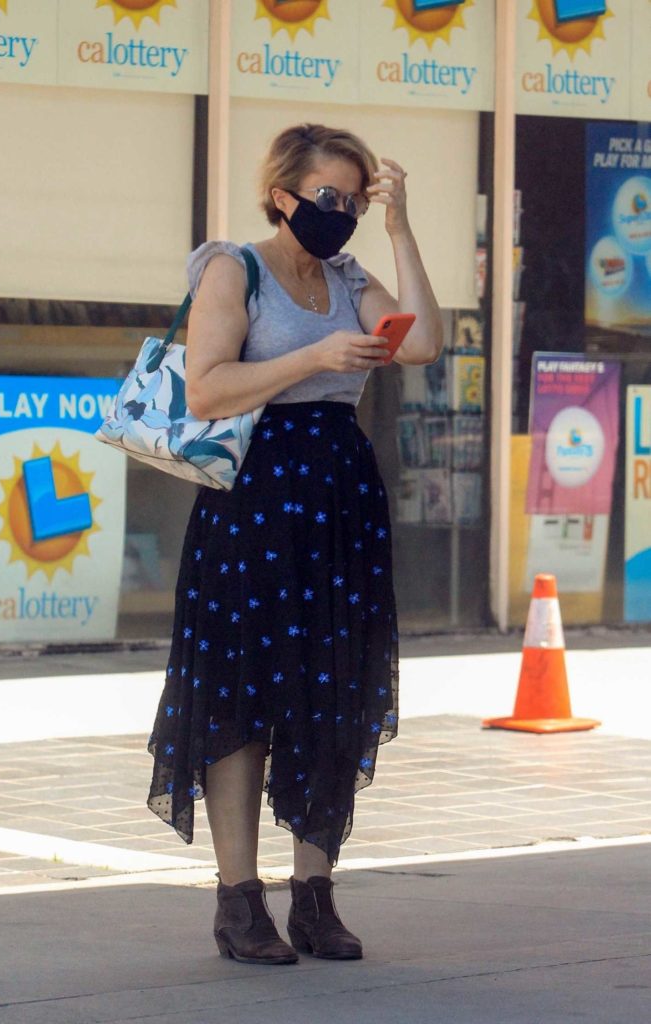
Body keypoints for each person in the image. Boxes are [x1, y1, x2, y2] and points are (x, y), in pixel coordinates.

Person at [147, 123, 443, 965]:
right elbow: (205, 386)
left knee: (332, 689)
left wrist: (400, 226)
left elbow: (419, 342)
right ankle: (239, 900)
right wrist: (313, 355)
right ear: (282, 195)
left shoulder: (351, 278)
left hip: (339, 500)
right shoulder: (230, 267)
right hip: (254, 497)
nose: (339, 210)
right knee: (241, 693)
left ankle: (314, 892)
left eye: (352, 198)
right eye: (327, 196)